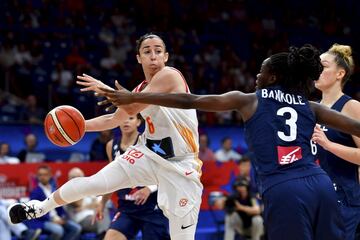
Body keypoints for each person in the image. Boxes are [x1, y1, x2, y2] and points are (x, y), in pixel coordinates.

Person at [94, 44, 360, 239]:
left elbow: (191, 100)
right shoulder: (310, 105)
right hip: (321, 184)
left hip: (285, 187)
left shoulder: (250, 99)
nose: (256, 76)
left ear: (274, 77)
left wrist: (135, 99)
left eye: (262, 72)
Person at [8, 33, 202, 240]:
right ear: (139, 58)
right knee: (94, 182)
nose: (153, 56)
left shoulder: (170, 75)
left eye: (158, 51)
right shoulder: (138, 90)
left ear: (166, 57)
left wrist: (106, 90)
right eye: (147, 51)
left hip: (181, 166)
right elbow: (112, 120)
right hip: (148, 154)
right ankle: (39, 207)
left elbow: (134, 105)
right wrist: (78, 128)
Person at [311, 43, 360, 240]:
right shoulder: (314, 108)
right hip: (317, 197)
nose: (317, 70)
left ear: (340, 74)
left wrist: (329, 145)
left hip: (345, 199)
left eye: (323, 66)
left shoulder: (351, 106)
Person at [97, 114, 170, 240]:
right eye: (123, 118)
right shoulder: (111, 145)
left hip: (152, 207)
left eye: (130, 118)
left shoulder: (149, 142)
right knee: (111, 237)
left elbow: (167, 172)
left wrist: (149, 188)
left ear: (138, 122)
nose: (126, 121)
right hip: (127, 208)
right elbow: (111, 178)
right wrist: (102, 203)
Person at [26, 165, 82, 240]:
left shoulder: (54, 189)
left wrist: (63, 217)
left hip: (57, 218)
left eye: (45, 174)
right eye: (40, 175)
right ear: (37, 176)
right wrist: (52, 220)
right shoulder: (35, 192)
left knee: (76, 228)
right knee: (59, 231)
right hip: (43, 220)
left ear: (50, 175)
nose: (42, 177)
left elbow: (60, 207)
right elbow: (35, 211)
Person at [64, 167, 110, 237]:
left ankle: (104, 234)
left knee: (103, 210)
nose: (76, 179)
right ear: (68, 179)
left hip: (93, 216)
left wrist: (85, 206)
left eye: (79, 176)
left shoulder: (89, 188)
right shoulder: (67, 191)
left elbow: (101, 202)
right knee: (103, 217)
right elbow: (78, 203)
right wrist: (93, 204)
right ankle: (104, 235)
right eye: (73, 177)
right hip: (81, 219)